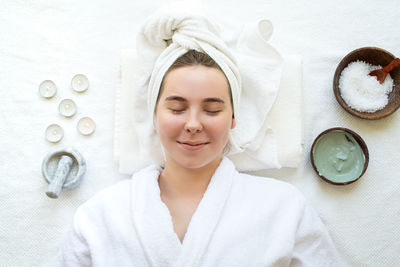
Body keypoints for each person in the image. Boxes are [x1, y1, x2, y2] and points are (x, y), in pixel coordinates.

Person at [55, 50, 341, 266]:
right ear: (154, 117)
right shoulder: (100, 216)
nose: (193, 124)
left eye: (212, 110)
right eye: (177, 108)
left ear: (232, 119)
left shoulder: (285, 208)